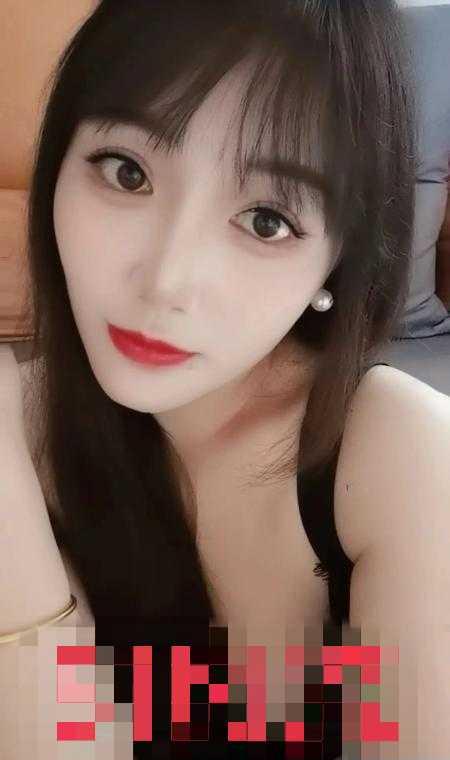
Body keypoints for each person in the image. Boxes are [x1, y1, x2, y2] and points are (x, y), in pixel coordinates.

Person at [1, 1, 449, 758]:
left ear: (336, 262)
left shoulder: (404, 460)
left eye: (267, 220)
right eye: (127, 172)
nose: (166, 281)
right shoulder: (22, 434)